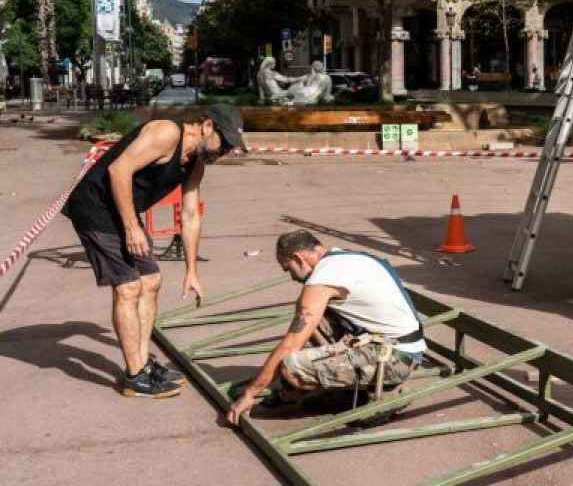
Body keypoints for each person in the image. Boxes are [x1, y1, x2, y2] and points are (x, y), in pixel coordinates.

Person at [63, 104, 247, 398]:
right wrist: (131, 227)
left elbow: (190, 215)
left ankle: (142, 363)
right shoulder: (167, 132)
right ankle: (135, 376)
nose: (225, 151)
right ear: (207, 126)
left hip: (124, 211)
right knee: (128, 287)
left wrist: (191, 271)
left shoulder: (194, 164)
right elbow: (118, 169)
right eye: (224, 143)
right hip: (96, 208)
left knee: (151, 281)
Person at [226, 230, 425, 425]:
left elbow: (291, 344)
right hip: (401, 344)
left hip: (394, 358)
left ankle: (382, 394)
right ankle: (339, 384)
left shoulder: (323, 278)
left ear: (298, 258)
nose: (292, 276)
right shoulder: (344, 257)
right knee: (311, 316)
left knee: (291, 368)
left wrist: (252, 392)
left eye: (288, 268)